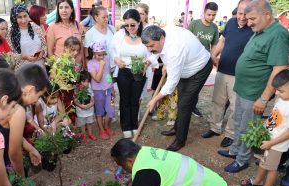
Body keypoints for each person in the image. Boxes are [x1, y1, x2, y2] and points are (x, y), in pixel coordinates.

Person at [218, 0, 289, 173]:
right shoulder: (260, 30)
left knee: (247, 127)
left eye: (252, 18)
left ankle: (242, 159)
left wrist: (264, 98)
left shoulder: (278, 34)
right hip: (243, 89)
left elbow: (278, 69)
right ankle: (235, 150)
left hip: (255, 93)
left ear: (267, 15)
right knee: (238, 122)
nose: (248, 22)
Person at [143, 25, 212, 151]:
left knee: (185, 104)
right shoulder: (161, 33)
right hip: (185, 68)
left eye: (151, 46)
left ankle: (180, 140)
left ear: (162, 38)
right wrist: (150, 60)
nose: (149, 49)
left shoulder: (175, 50)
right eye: (147, 46)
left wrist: (154, 99)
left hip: (199, 69)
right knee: (181, 99)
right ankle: (177, 127)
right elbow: (156, 52)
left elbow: (171, 83)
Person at [202, 0, 254, 148]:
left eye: (246, 14)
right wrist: (213, 55)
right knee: (217, 101)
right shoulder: (230, 23)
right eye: (240, 13)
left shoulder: (253, 28)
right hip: (222, 69)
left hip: (239, 75)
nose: (242, 17)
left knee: (234, 106)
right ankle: (214, 128)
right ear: (236, 11)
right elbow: (222, 41)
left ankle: (230, 133)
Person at [240, 70, 289, 186]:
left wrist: (271, 143)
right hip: (269, 139)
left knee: (271, 169)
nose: (277, 93)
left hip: (276, 145)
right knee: (263, 161)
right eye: (276, 90)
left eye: (281, 91)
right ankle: (257, 180)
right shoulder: (282, 100)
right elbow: (274, 117)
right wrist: (264, 127)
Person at [111, 9, 153, 139]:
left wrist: (147, 64)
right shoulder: (119, 35)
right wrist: (117, 60)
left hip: (139, 72)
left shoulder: (145, 35)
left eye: (132, 25)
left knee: (135, 100)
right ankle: (126, 126)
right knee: (125, 100)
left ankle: (134, 125)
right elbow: (112, 51)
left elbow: (153, 53)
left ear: (139, 22)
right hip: (123, 72)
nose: (129, 28)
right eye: (126, 25)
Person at [187, 2, 219, 117]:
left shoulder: (214, 28)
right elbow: (185, 41)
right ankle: (184, 106)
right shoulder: (194, 24)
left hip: (204, 63)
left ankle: (192, 106)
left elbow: (215, 45)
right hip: (190, 61)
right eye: (209, 14)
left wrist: (213, 57)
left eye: (213, 15)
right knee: (187, 86)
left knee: (196, 87)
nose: (211, 17)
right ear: (204, 13)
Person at [87, 41, 115, 140]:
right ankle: (101, 130)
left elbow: (109, 75)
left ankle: (106, 126)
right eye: (99, 55)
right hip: (98, 91)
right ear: (94, 54)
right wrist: (101, 66)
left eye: (104, 54)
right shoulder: (90, 63)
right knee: (99, 111)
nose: (102, 57)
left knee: (111, 110)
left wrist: (112, 88)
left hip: (109, 89)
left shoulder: (107, 60)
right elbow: (97, 79)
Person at [9, 4, 47, 71]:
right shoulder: (10, 33)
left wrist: (42, 52)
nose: (23, 20)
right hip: (21, 70)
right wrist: (23, 56)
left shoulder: (36, 27)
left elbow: (44, 45)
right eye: (19, 17)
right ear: (14, 18)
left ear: (28, 15)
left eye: (25, 16)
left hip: (39, 67)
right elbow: (9, 54)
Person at [46, 0, 84, 64]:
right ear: (58, 10)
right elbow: (49, 51)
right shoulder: (52, 27)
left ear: (72, 9)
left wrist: (83, 65)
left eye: (66, 7)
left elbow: (81, 48)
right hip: (60, 70)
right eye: (61, 8)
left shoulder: (77, 25)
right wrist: (56, 67)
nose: (64, 10)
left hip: (77, 69)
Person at [74, 71, 95, 141]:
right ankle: (84, 135)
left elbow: (92, 99)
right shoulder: (76, 90)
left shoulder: (90, 88)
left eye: (87, 81)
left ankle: (90, 134)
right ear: (79, 81)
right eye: (83, 81)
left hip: (89, 111)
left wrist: (90, 104)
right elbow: (75, 101)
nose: (86, 83)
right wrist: (81, 106)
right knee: (82, 125)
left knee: (89, 123)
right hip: (80, 112)